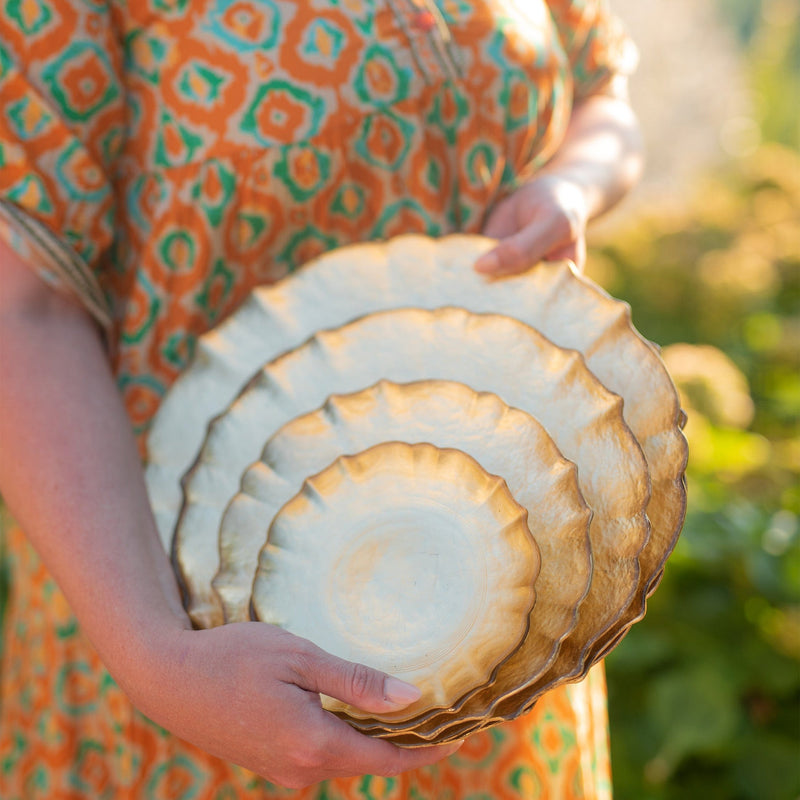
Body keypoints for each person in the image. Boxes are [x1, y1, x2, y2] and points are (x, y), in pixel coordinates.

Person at [0, 0, 643, 796]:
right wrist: (157, 661)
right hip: (211, 667)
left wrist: (570, 185)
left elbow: (601, 88)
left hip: (506, 604)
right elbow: (21, 306)